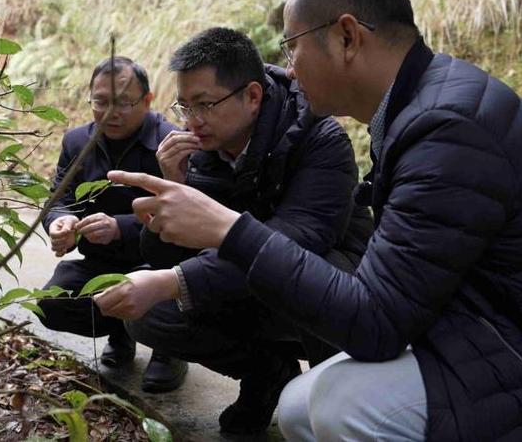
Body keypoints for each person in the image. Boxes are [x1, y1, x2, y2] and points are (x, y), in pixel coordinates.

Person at [97, 0, 522, 442]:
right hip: (483, 326)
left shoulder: (444, 131)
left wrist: (226, 229)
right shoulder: (419, 109)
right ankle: (267, 373)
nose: (290, 69)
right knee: (300, 406)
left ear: (347, 37)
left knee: (340, 407)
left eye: (292, 47)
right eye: (187, 106)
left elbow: (373, 317)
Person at [95, 27, 372, 434]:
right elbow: (165, 254)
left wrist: (176, 280)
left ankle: (336, 399)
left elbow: (298, 242)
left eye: (205, 104)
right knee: (150, 313)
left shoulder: (318, 138)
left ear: (253, 96)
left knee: (311, 274)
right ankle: (266, 373)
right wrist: (175, 187)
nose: (193, 120)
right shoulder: (201, 149)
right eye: (185, 106)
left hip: (329, 282)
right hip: (247, 280)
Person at [38, 56, 189, 393]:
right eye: (101, 102)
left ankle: (170, 350)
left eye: (123, 103)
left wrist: (120, 227)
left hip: (160, 267)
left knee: (167, 288)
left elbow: (186, 215)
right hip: (102, 264)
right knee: (50, 301)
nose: (110, 113)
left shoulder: (171, 143)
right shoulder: (77, 142)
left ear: (147, 101)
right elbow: (58, 198)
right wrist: (61, 220)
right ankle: (122, 330)